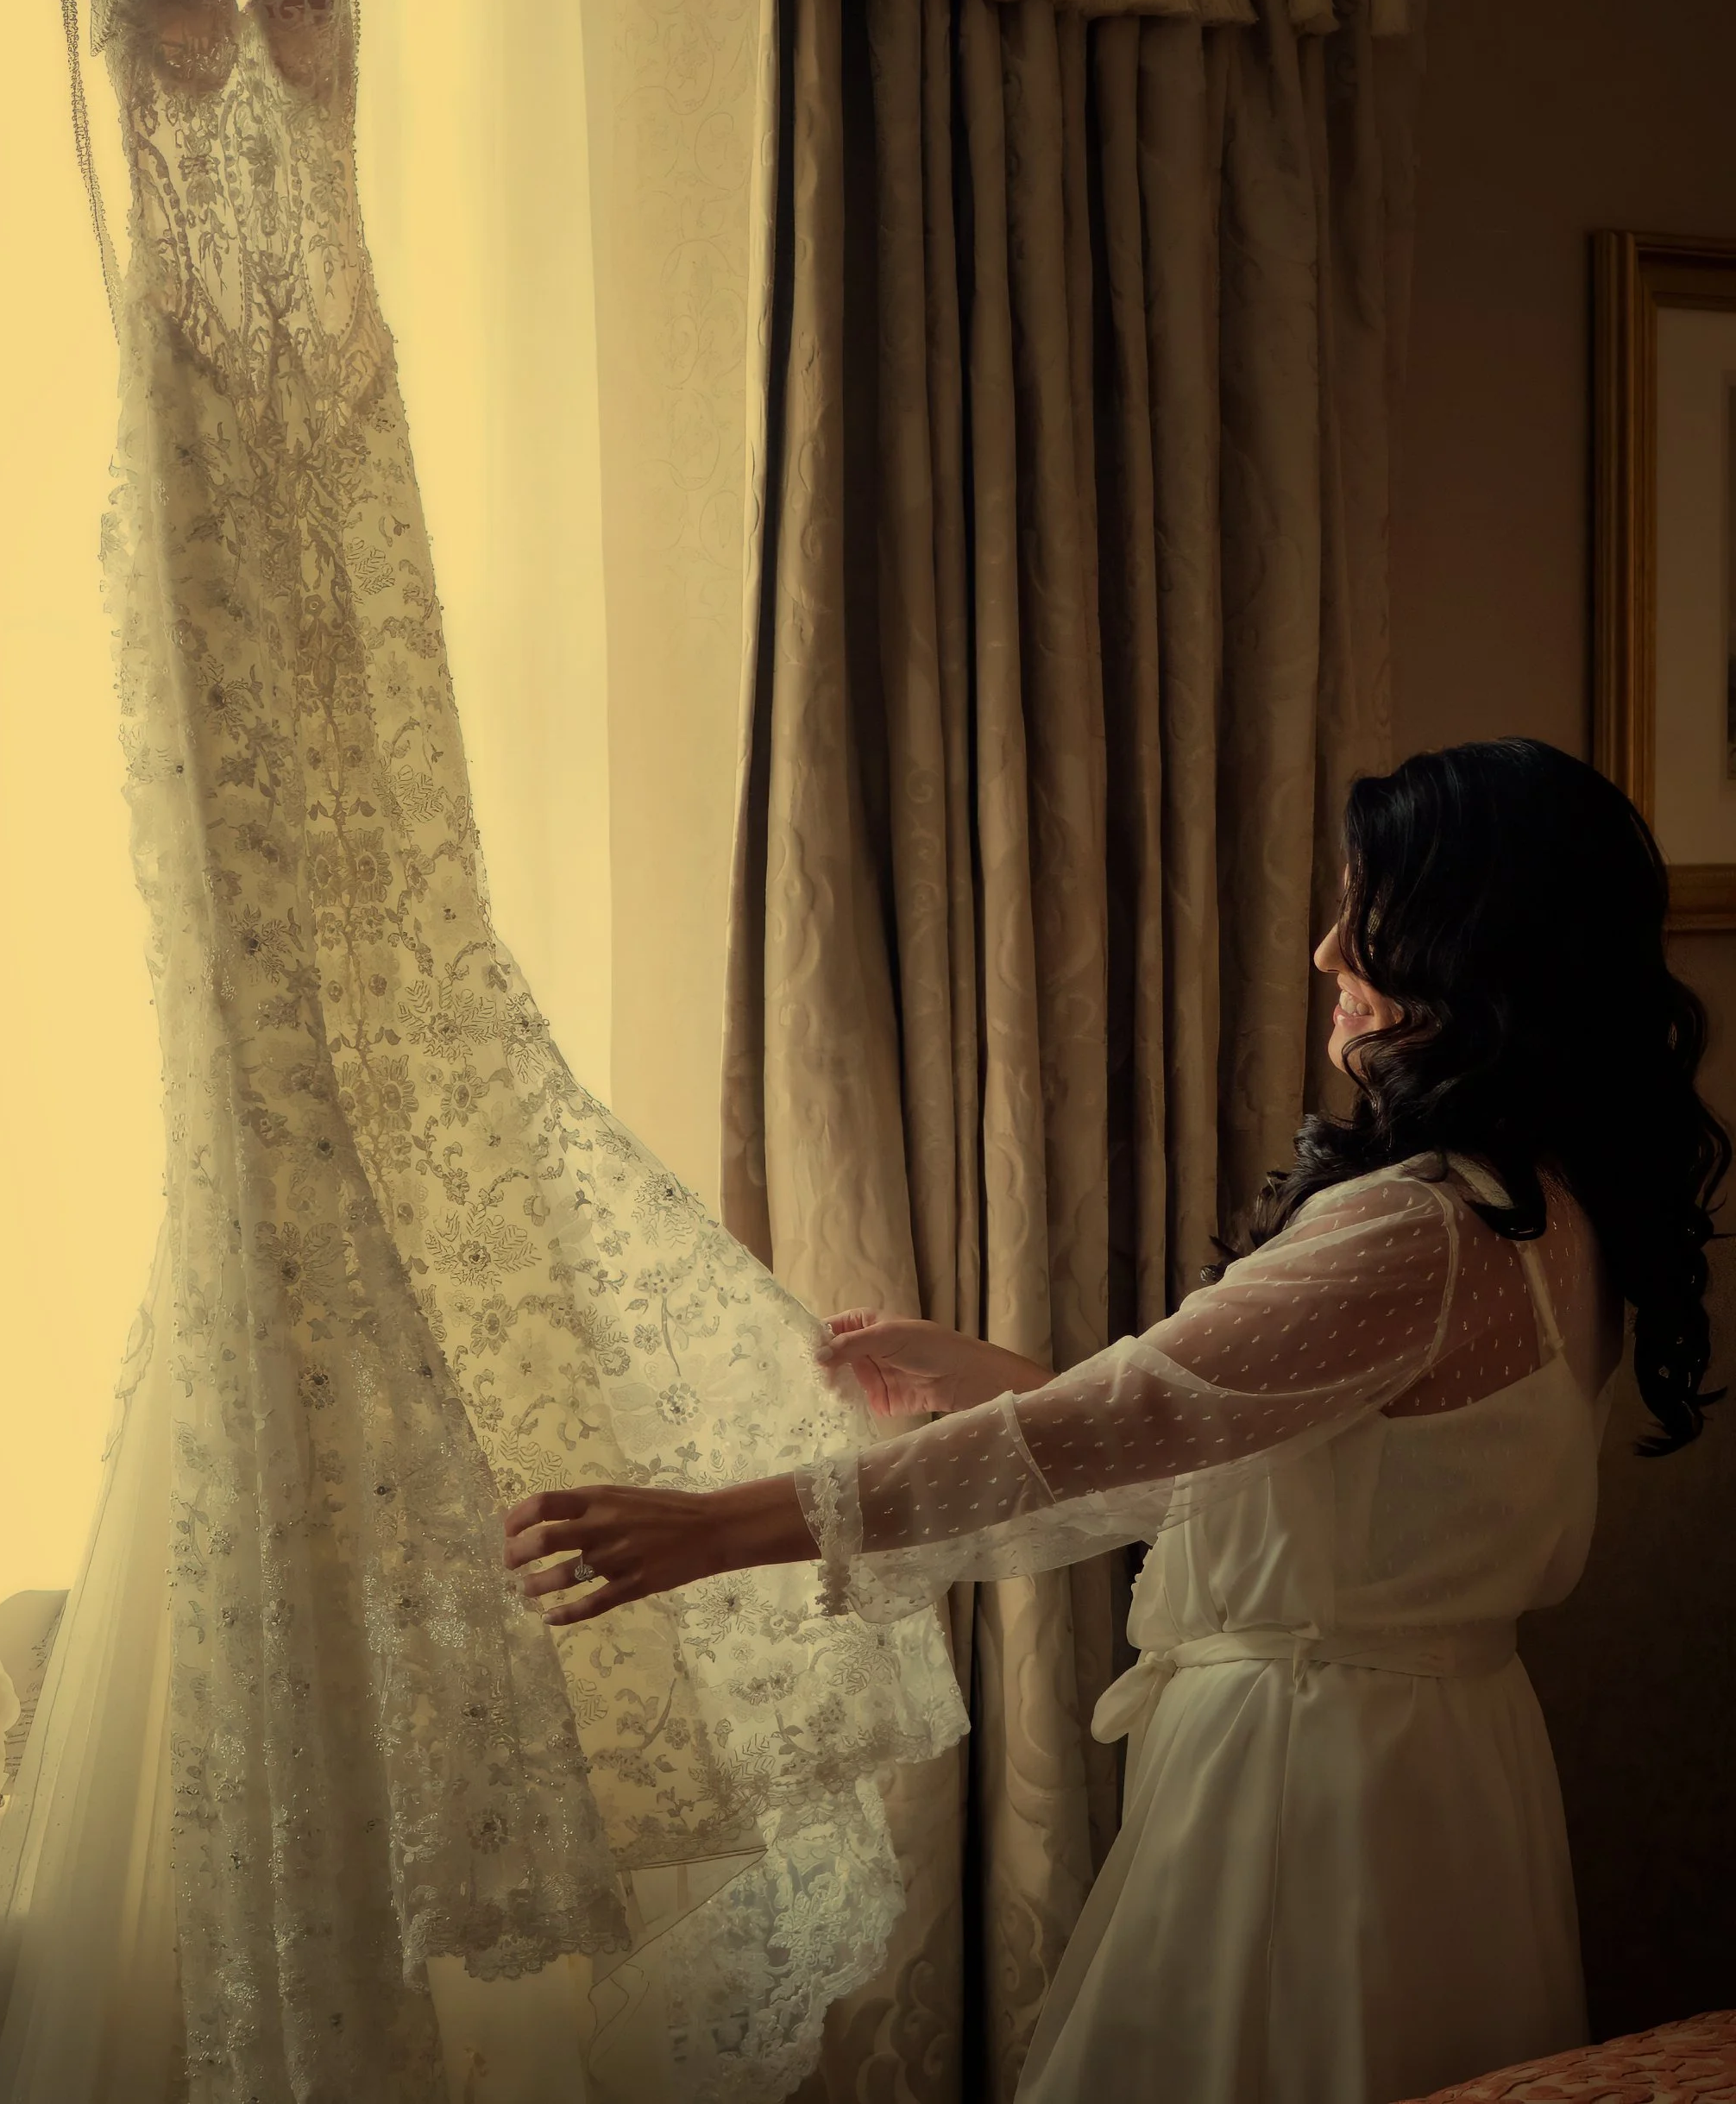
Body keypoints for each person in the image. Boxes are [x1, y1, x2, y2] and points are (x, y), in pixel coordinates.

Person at [503, 739, 1727, 2104]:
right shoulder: (1552, 1202)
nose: (1326, 953)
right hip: (1448, 1768)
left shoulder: (1419, 1227)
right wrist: (987, 1373)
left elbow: (1136, 1419)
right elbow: (1271, 1450)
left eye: (1362, 913)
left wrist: (709, 1528)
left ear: (1470, 941)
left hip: (1309, 1783)